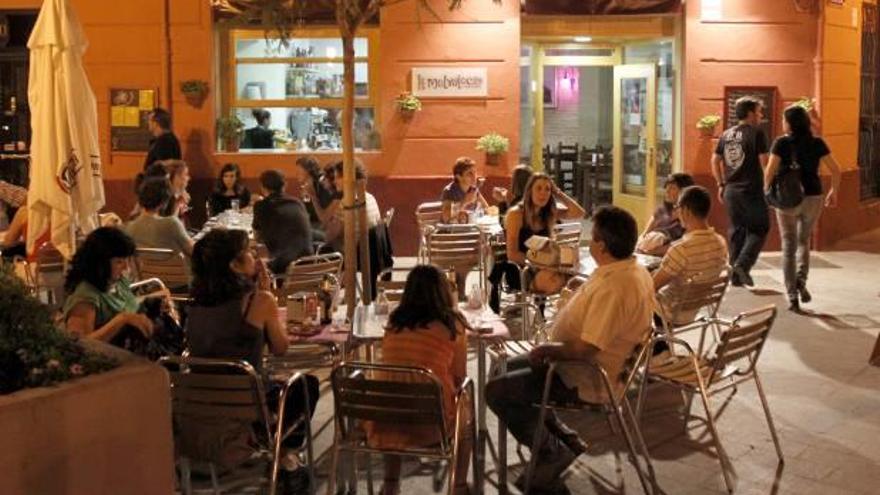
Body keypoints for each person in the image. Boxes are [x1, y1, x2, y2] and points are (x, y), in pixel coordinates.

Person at [486, 206, 654, 494]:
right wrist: (583, 285)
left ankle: (551, 451)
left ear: (601, 245)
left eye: (594, 237)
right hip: (576, 366)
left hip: (584, 376)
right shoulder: (632, 269)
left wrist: (548, 349)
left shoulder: (616, 287)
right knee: (502, 369)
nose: (590, 243)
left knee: (498, 390)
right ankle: (565, 437)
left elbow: (586, 348)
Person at [186, 228, 319, 491]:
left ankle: (281, 457)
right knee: (306, 385)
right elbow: (281, 348)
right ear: (234, 265)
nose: (256, 257)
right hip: (248, 406)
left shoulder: (194, 304)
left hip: (199, 402)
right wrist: (268, 295)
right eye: (248, 251)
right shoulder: (257, 300)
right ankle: (285, 457)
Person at [366, 265, 471, 495]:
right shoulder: (453, 324)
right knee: (465, 406)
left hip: (387, 422)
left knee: (396, 391)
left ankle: (391, 483)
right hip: (433, 424)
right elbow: (459, 375)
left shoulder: (395, 321)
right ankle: (459, 485)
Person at [764, 105, 841, 312]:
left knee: (788, 245)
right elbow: (836, 170)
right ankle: (801, 280)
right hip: (813, 197)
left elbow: (769, 171)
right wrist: (834, 191)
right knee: (803, 241)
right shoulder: (817, 143)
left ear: (789, 122)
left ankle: (792, 295)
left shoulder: (781, 143)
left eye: (783, 119)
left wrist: (767, 193)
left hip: (787, 199)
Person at [712, 96, 770, 287]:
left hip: (731, 190)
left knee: (737, 230)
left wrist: (721, 184)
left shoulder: (726, 134)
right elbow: (765, 163)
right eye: (759, 111)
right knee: (759, 228)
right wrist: (768, 185)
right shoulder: (757, 133)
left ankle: (734, 276)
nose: (761, 115)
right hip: (751, 189)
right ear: (751, 113)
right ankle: (742, 266)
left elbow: (715, 160)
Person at [62, 227, 154, 343]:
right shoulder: (85, 297)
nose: (126, 267)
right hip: (112, 358)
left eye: (127, 260)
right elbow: (81, 345)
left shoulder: (118, 282)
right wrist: (122, 319)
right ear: (100, 263)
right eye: (119, 262)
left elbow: (125, 304)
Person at [652, 186, 728, 326]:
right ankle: (660, 345)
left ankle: (657, 345)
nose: (676, 211)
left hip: (669, 313)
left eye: (677, 207)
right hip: (695, 308)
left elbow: (652, 286)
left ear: (685, 210)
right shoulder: (721, 243)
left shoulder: (681, 249)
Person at [505, 173, 585, 294]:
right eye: (538, 188)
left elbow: (579, 212)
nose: (543, 193)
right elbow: (512, 254)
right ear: (529, 191)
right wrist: (539, 264)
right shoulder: (516, 214)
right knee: (562, 283)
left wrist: (558, 192)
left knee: (578, 282)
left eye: (547, 189)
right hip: (523, 269)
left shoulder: (549, 212)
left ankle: (568, 309)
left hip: (547, 267)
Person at [487, 164, 533, 312]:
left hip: (518, 268)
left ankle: (514, 296)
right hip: (539, 262)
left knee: (495, 246)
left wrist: (502, 202)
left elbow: (503, 224)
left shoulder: (516, 206)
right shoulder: (536, 203)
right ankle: (521, 298)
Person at [252, 169, 313, 274]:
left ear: (262, 187)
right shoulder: (297, 202)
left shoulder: (261, 206)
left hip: (283, 268)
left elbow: (257, 237)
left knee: (250, 264)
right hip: (309, 264)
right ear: (284, 185)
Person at [124, 177, 194, 258]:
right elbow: (193, 251)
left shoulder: (129, 228)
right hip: (175, 270)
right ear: (164, 201)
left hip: (144, 270)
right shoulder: (172, 223)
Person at [324, 159, 382, 253]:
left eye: (337, 177)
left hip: (351, 259)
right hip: (371, 254)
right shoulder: (370, 197)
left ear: (348, 177)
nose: (334, 181)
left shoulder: (348, 202)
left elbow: (329, 236)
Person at [636, 173, 695, 256]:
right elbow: (645, 234)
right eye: (666, 187)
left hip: (670, 256)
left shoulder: (690, 216)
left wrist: (649, 252)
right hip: (646, 252)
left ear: (684, 192)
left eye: (672, 188)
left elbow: (681, 244)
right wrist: (639, 248)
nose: (667, 191)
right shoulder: (661, 210)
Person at [291, 156, 336, 240]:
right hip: (316, 225)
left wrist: (312, 195)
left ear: (308, 171)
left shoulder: (322, 186)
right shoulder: (309, 187)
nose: (296, 174)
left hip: (327, 230)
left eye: (299, 171)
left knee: (296, 231)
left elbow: (326, 219)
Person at [440, 157, 489, 224]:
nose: (474, 176)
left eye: (475, 172)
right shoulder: (449, 191)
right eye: (469, 173)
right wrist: (465, 202)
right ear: (459, 177)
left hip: (471, 228)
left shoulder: (473, 189)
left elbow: (487, 209)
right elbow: (447, 218)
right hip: (453, 232)